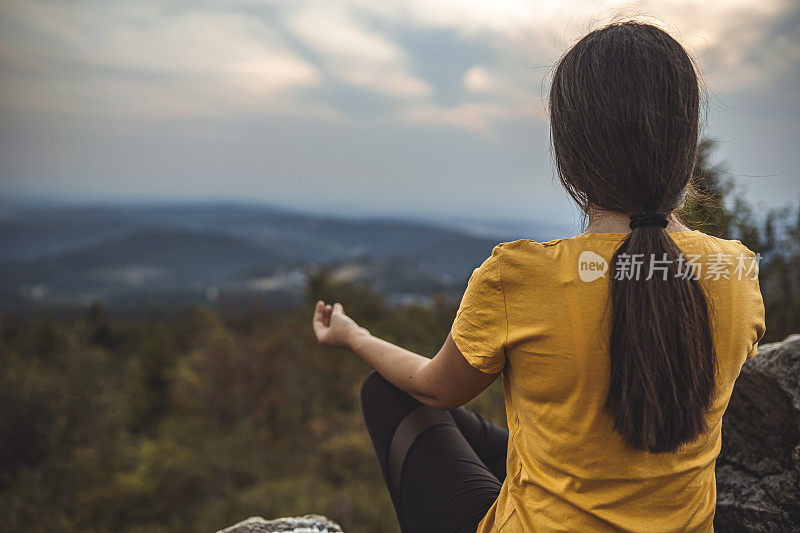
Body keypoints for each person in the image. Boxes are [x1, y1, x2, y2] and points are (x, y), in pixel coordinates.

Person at [311, 20, 766, 533]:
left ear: (569, 159)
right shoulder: (735, 272)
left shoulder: (519, 276)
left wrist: (355, 336)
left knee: (387, 391)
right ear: (685, 146)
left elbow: (434, 389)